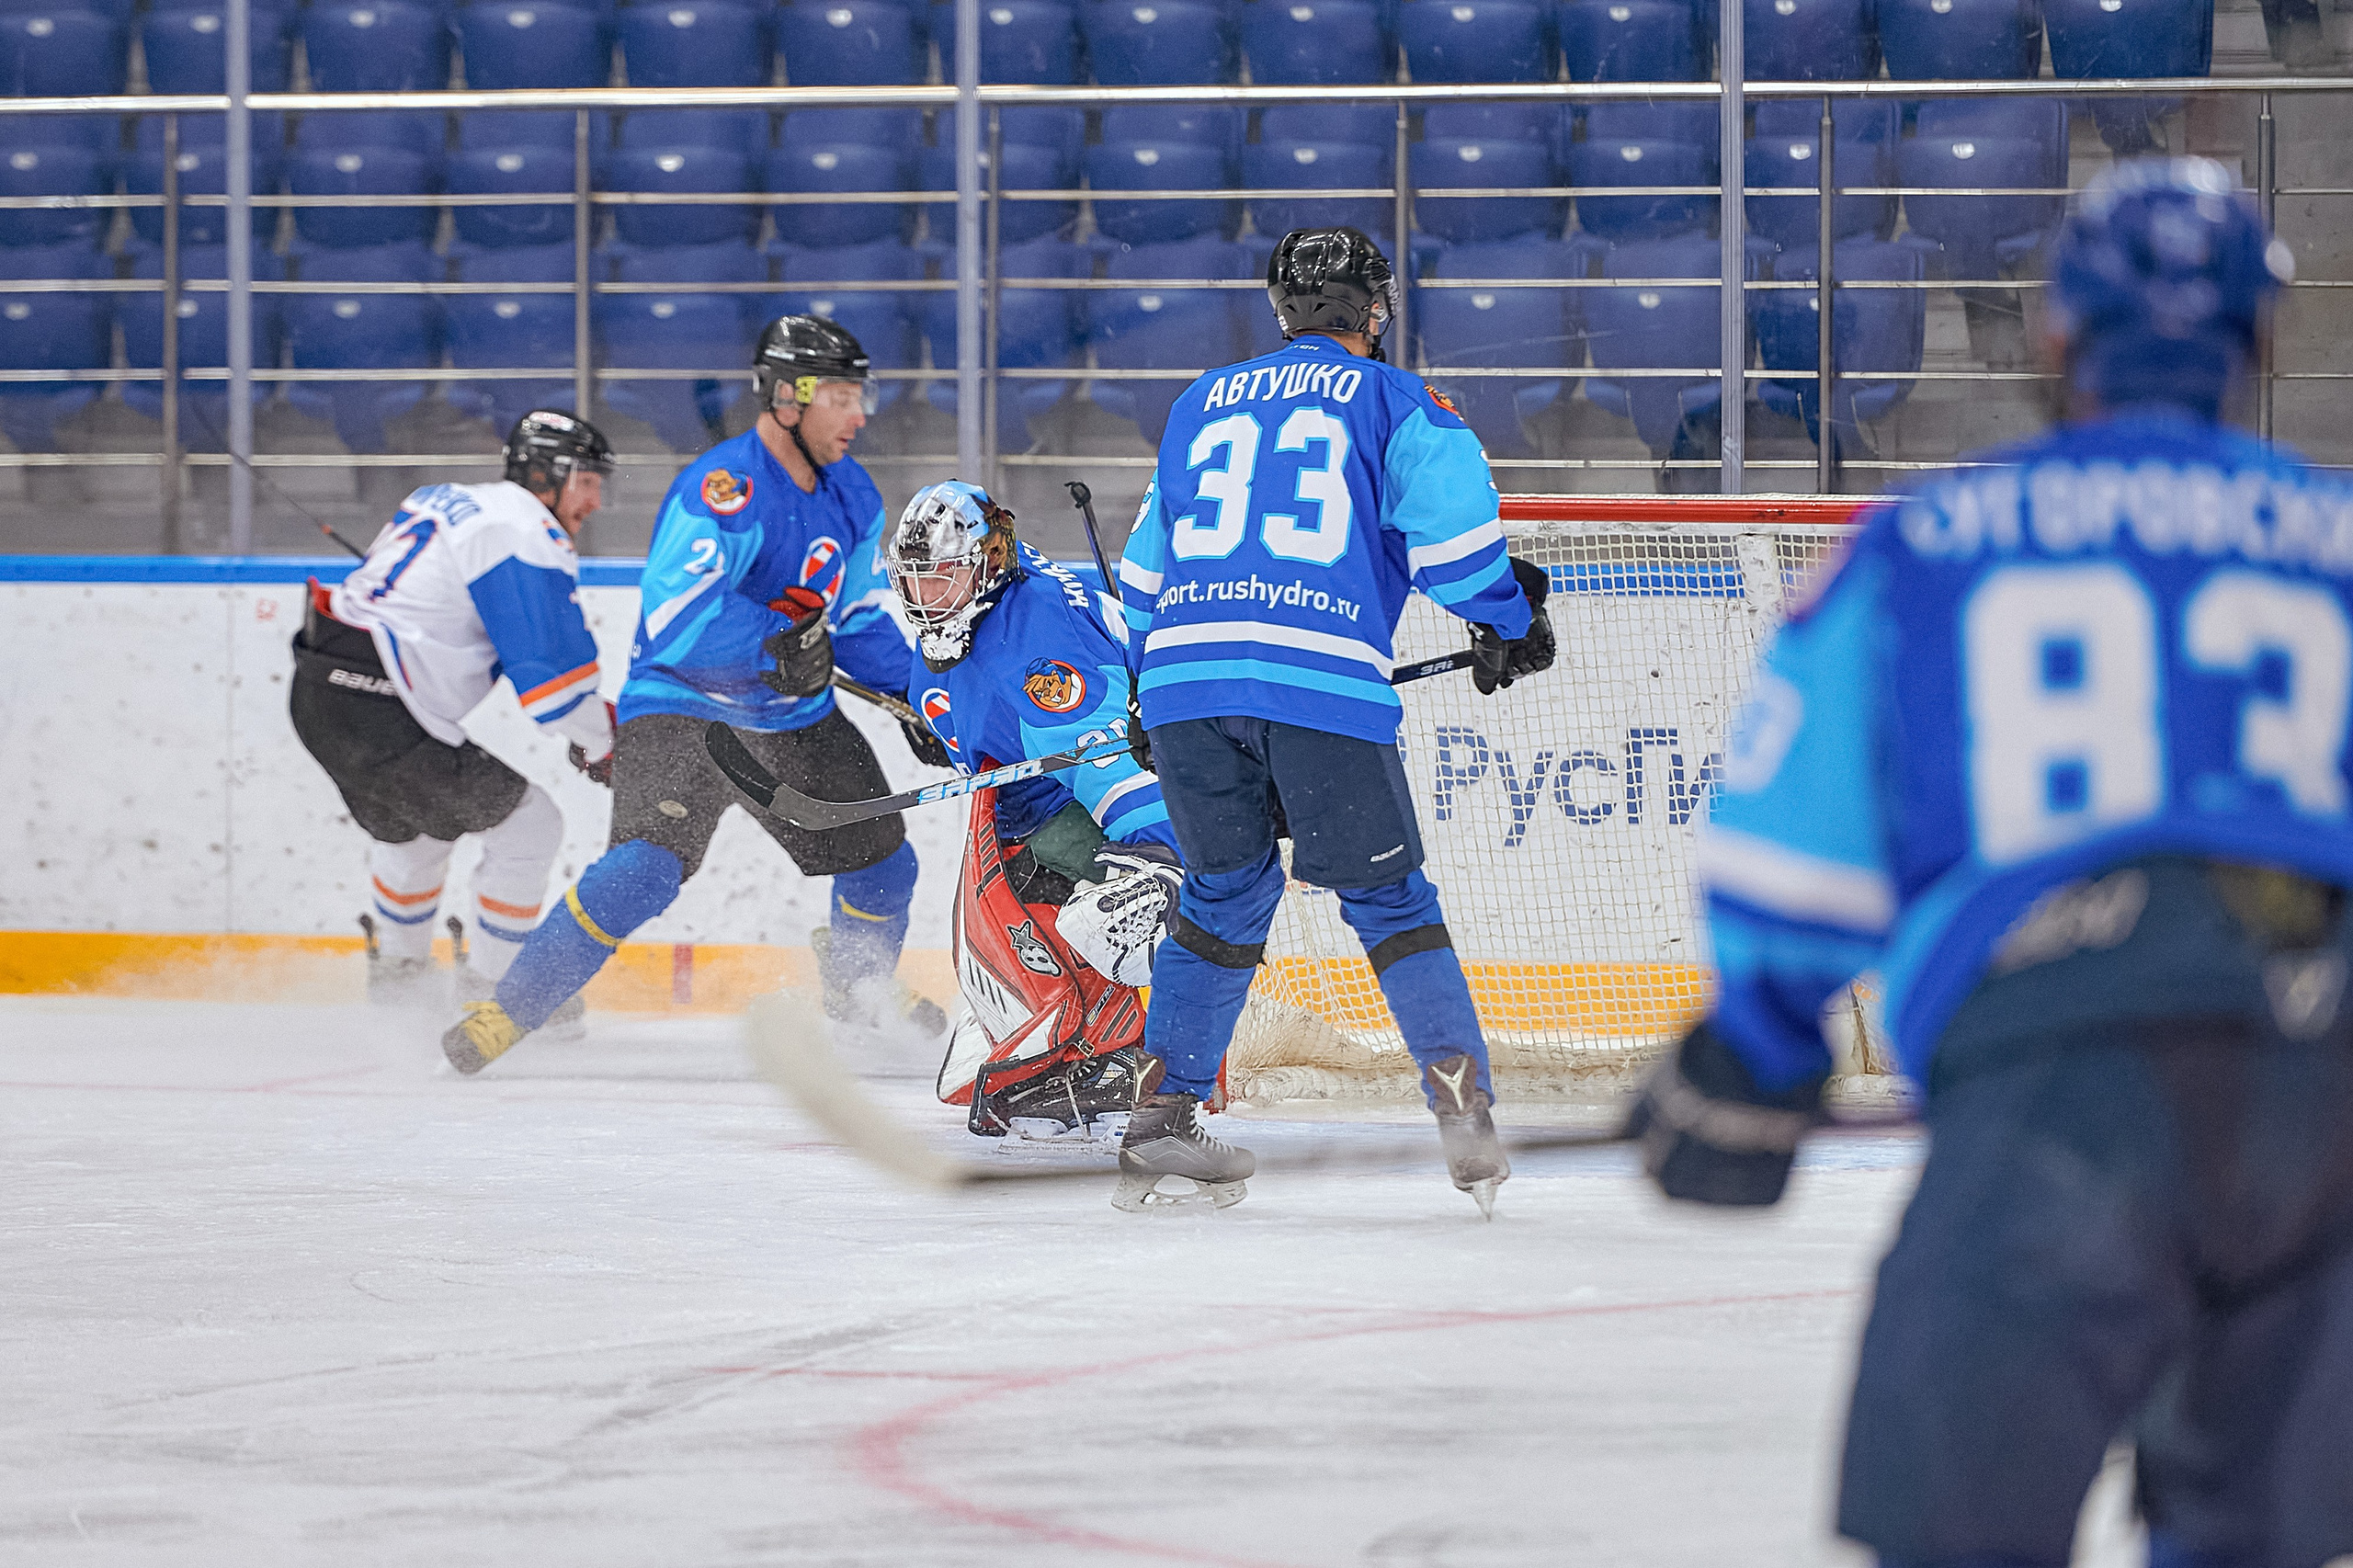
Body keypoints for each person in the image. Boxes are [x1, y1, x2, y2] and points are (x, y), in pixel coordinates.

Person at [1627, 158, 2353, 1565]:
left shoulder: (1932, 542)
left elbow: (1795, 867)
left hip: (2061, 1093)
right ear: (2258, 344)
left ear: (2055, 335)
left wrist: (1761, 1050)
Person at [1112, 225, 1557, 1214]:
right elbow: (1461, 560)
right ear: (1373, 309)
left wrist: (1146, 690)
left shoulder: (1197, 403)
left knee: (1220, 896)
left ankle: (1162, 1117)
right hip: (1318, 686)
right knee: (1390, 903)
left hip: (1184, 681)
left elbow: (1140, 584)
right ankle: (1463, 1113)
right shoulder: (1398, 399)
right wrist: (1512, 622)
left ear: (1283, 310)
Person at [441, 317, 945, 1074]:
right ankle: (509, 1008)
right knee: (643, 868)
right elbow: (679, 614)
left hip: (792, 718)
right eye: (842, 397)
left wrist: (922, 694)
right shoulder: (726, 488)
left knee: (883, 864)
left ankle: (857, 986)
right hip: (685, 709)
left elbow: (862, 614)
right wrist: (776, 647)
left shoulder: (854, 494)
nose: (860, 415)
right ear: (788, 398)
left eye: (859, 395)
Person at [290, 409, 617, 1017]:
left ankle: (398, 978)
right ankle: (495, 993)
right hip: (379, 705)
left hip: (319, 692)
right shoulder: (524, 528)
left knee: (416, 833)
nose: (596, 501)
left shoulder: (444, 499)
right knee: (531, 827)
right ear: (549, 475)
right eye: (589, 482)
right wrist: (603, 743)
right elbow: (551, 683)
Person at [883, 480, 1180, 1142]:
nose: (922, 601)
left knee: (1110, 913)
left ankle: (1120, 1043)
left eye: (938, 581)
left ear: (987, 563)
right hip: (1038, 802)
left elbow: (1105, 761)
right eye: (912, 583)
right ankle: (1080, 1031)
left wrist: (1159, 852)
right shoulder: (968, 625)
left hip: (1114, 791)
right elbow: (968, 701)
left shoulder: (1038, 638)